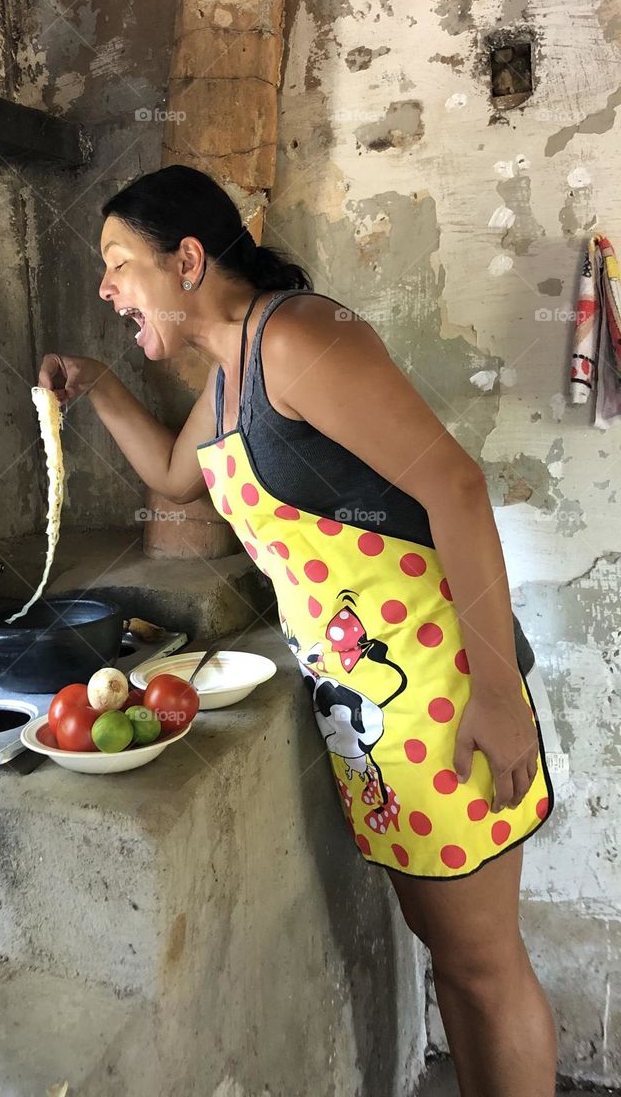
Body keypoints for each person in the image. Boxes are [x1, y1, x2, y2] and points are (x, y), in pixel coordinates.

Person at [38, 163, 557, 1097]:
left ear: (186, 259)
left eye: (117, 263)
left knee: (484, 966)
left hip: (442, 691)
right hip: (366, 708)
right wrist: (100, 385)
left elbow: (456, 486)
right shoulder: (229, 374)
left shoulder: (296, 338)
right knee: (449, 955)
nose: (106, 287)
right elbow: (173, 476)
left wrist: (496, 694)